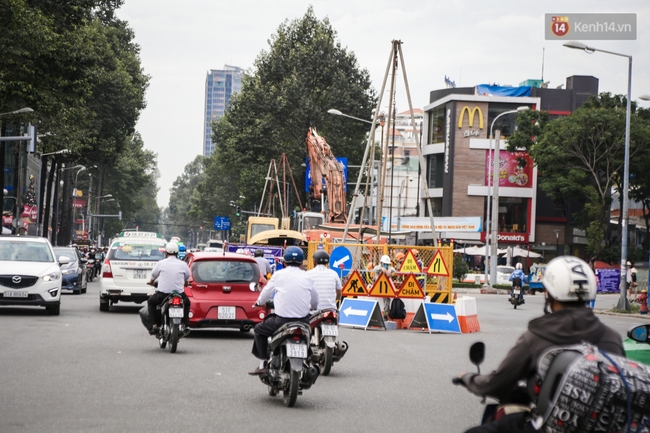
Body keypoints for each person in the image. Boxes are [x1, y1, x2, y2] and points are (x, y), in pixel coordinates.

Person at [459, 256, 625, 433]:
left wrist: (468, 378)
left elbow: (497, 382)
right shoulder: (611, 338)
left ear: (549, 293)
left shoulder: (538, 336)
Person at [248, 246, 319, 375]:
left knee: (259, 330)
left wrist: (259, 302)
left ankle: (263, 363)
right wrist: (313, 307)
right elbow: (314, 300)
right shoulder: (307, 277)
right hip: (303, 321)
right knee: (310, 334)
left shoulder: (279, 275)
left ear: (284, 262)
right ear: (301, 262)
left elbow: (266, 293)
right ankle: (309, 361)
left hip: (281, 321)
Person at [147, 242, 191, 336]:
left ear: (166, 252)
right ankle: (186, 324)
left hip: (163, 295)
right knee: (187, 303)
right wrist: (185, 284)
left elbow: (153, 277)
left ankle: (154, 325)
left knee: (151, 302)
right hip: (179, 294)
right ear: (177, 252)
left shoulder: (161, 263)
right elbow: (187, 278)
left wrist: (151, 283)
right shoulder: (183, 264)